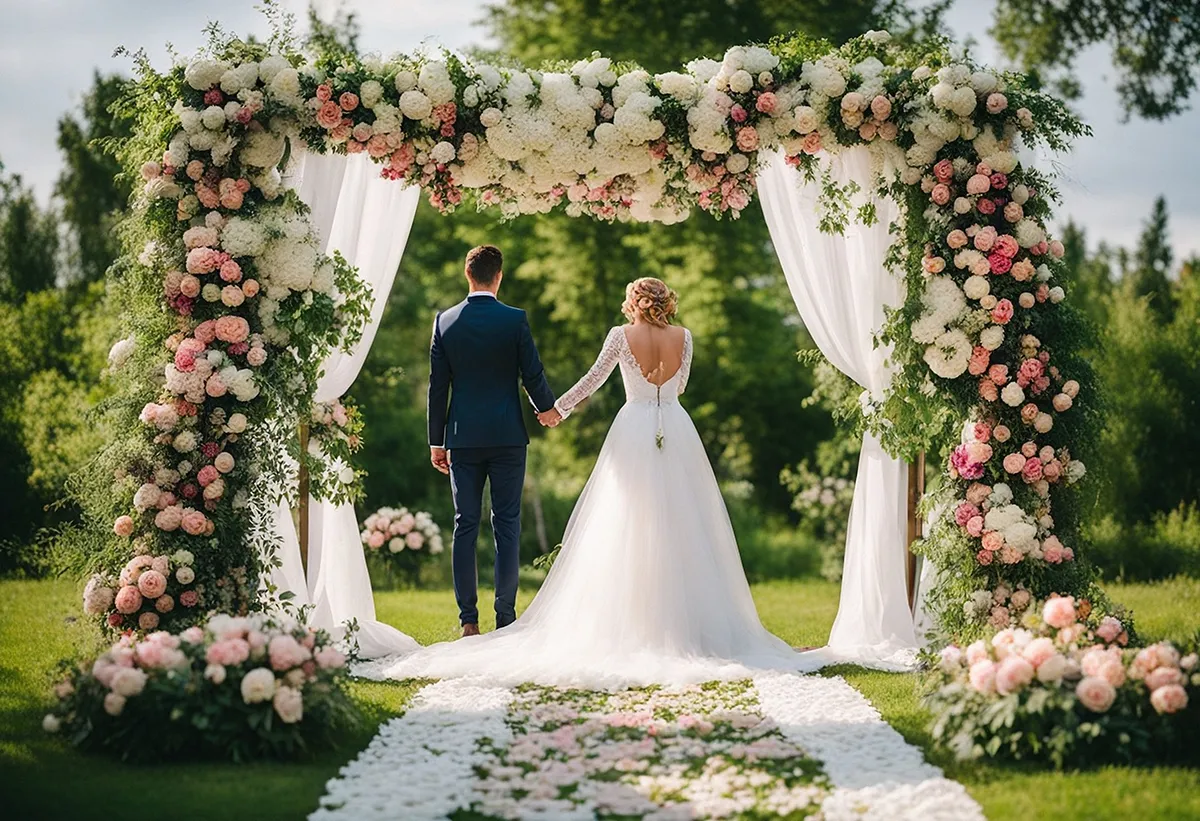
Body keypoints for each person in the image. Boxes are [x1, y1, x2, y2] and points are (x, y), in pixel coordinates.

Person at [381, 276, 818, 688]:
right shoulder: (684, 337)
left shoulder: (620, 335)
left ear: (635, 304)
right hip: (676, 428)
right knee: (683, 524)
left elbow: (594, 378)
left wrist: (557, 409)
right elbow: (680, 385)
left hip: (634, 429)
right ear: (664, 304)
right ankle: (686, 625)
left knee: (623, 524)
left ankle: (627, 621)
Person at [427, 245, 559, 637]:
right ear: (498, 276)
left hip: (462, 438)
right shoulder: (514, 319)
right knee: (507, 525)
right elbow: (532, 373)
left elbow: (438, 387)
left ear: (467, 275)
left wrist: (436, 441)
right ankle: (505, 618)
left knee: (464, 524)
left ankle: (468, 621)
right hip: (507, 438)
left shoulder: (444, 322)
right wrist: (548, 409)